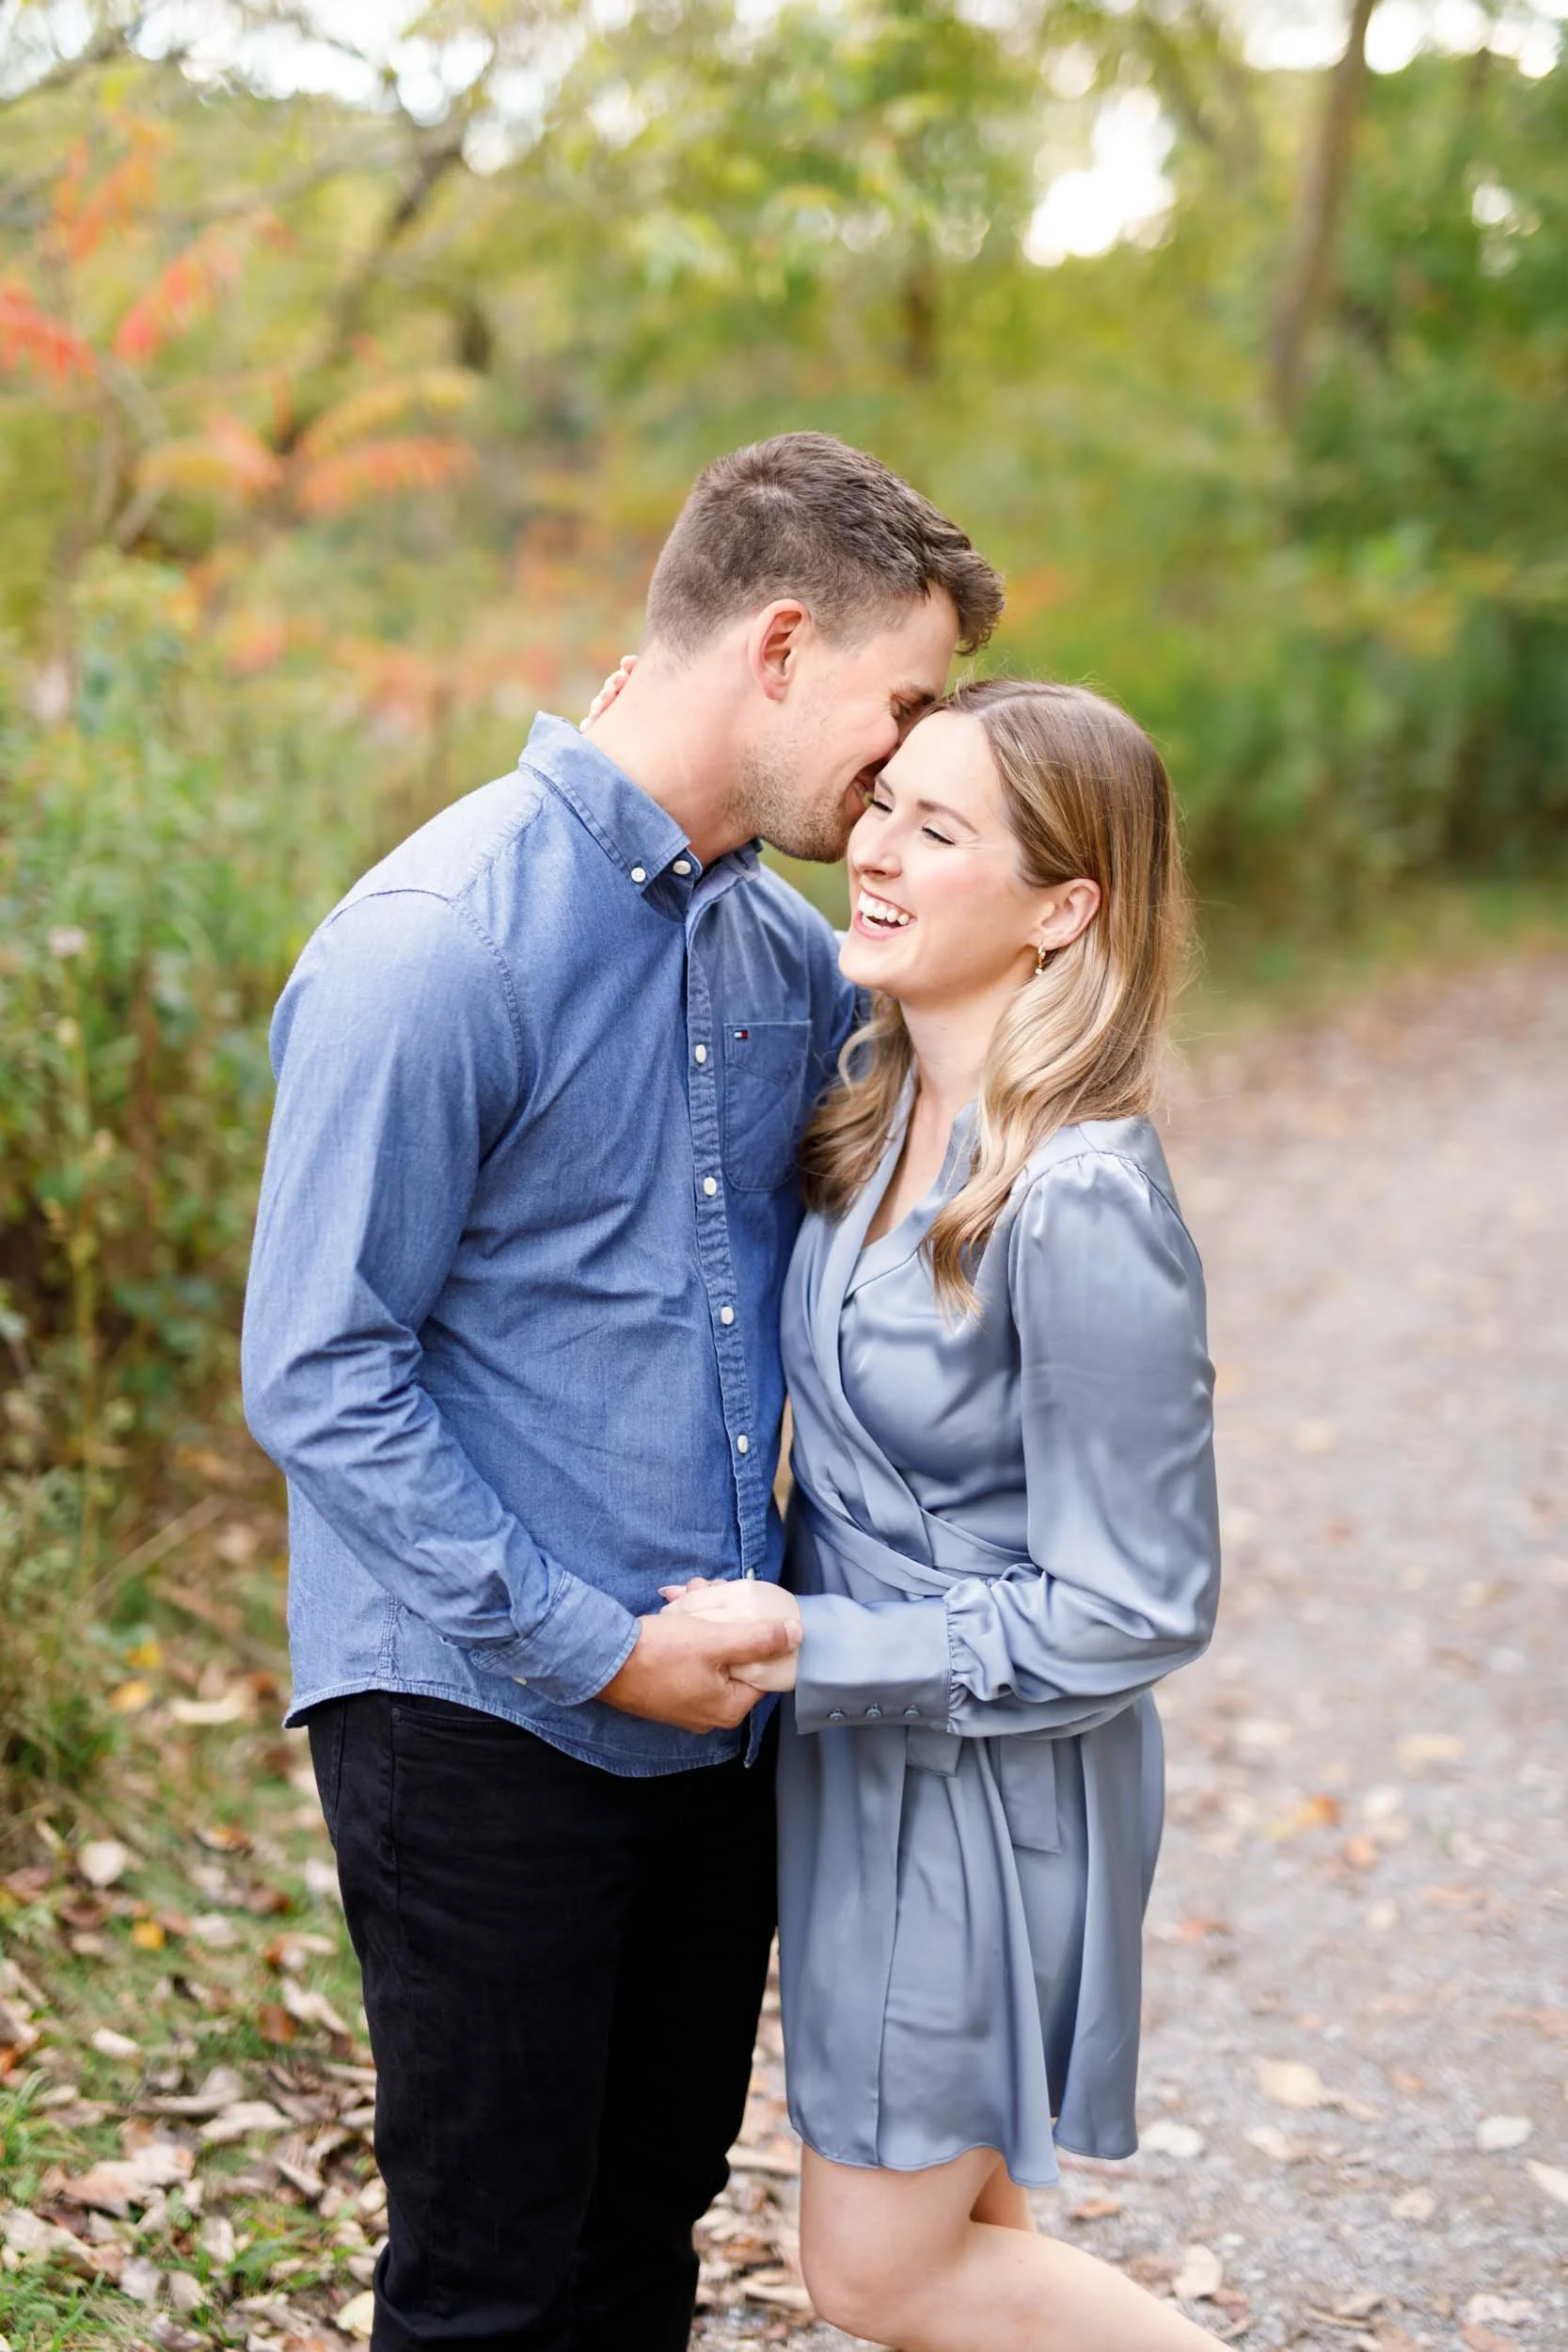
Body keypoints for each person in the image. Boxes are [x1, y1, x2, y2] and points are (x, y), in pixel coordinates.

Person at [240, 430, 1003, 2352]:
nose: (907, 759)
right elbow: (319, 1370)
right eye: (898, 701)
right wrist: (590, 1644)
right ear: (772, 646)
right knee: (490, 2280)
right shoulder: (435, 946)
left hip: (717, 1727)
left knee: (635, 2239)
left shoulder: (778, 955)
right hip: (480, 1711)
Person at [660, 678, 1227, 2350]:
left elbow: (1135, 1606)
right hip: (866, 1761)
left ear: (1064, 908)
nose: (875, 851)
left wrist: (813, 1642)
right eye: (883, 803)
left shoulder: (1080, 1198)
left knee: (883, 2270)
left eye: (937, 827)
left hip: (990, 1790)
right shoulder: (879, 1102)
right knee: (969, 2233)